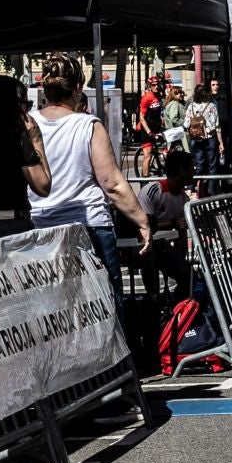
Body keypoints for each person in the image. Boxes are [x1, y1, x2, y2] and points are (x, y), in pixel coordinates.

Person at [29, 54, 151, 298]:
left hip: (42, 228)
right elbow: (112, 184)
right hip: (89, 228)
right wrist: (142, 221)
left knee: (56, 309)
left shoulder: (30, 125)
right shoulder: (87, 125)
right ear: (77, 88)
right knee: (104, 305)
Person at [0, 75, 52, 243]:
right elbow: (43, 186)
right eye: (26, 104)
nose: (28, 111)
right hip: (10, 223)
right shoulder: (16, 136)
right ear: (14, 105)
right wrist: (36, 141)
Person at [139, 149, 197, 304]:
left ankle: (181, 304)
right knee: (149, 256)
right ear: (181, 171)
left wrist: (180, 263)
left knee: (187, 274)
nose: (194, 171)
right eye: (192, 168)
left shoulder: (183, 199)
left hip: (162, 247)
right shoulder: (153, 191)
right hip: (141, 246)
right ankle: (154, 300)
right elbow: (145, 224)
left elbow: (182, 236)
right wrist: (171, 224)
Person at [188, 82, 223, 176]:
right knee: (212, 165)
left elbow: (186, 124)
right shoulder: (212, 106)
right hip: (210, 138)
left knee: (199, 165)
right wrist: (221, 142)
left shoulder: (191, 106)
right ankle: (211, 189)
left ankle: (198, 187)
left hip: (196, 137)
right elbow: (217, 126)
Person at [135, 73, 166, 177]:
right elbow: (141, 117)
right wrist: (148, 131)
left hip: (156, 127)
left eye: (157, 84)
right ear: (149, 86)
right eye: (153, 85)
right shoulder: (146, 98)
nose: (156, 86)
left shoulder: (159, 96)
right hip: (147, 129)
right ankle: (144, 180)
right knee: (147, 155)